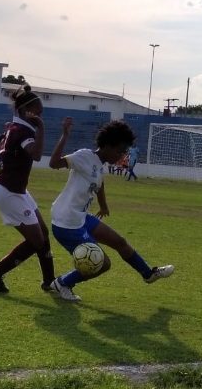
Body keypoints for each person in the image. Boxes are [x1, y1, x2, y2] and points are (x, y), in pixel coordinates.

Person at [47, 117, 175, 302]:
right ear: (107, 145)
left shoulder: (100, 164)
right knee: (103, 263)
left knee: (120, 242)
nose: (121, 156)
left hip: (80, 218)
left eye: (124, 152)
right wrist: (65, 135)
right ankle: (62, 283)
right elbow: (53, 163)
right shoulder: (84, 156)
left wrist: (103, 204)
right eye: (119, 151)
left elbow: (99, 184)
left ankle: (148, 274)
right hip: (66, 223)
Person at [0, 85, 55, 294]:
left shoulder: (13, 128)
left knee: (43, 233)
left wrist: (0, 172)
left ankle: (50, 281)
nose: (40, 116)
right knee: (36, 240)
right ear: (25, 111)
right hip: (9, 192)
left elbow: (4, 151)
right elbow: (36, 155)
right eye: (38, 112)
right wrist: (41, 128)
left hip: (16, 189)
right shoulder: (22, 131)